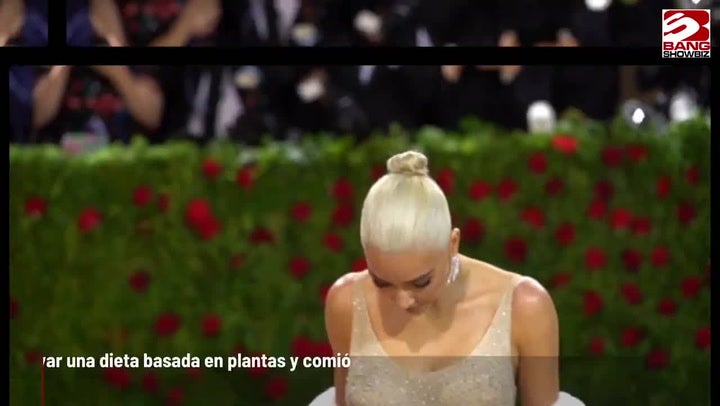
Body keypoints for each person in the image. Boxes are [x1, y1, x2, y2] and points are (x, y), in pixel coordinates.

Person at [324, 150, 560, 405]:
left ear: (452, 244)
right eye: (382, 282)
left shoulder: (524, 306)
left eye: (420, 282)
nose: (403, 301)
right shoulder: (347, 302)